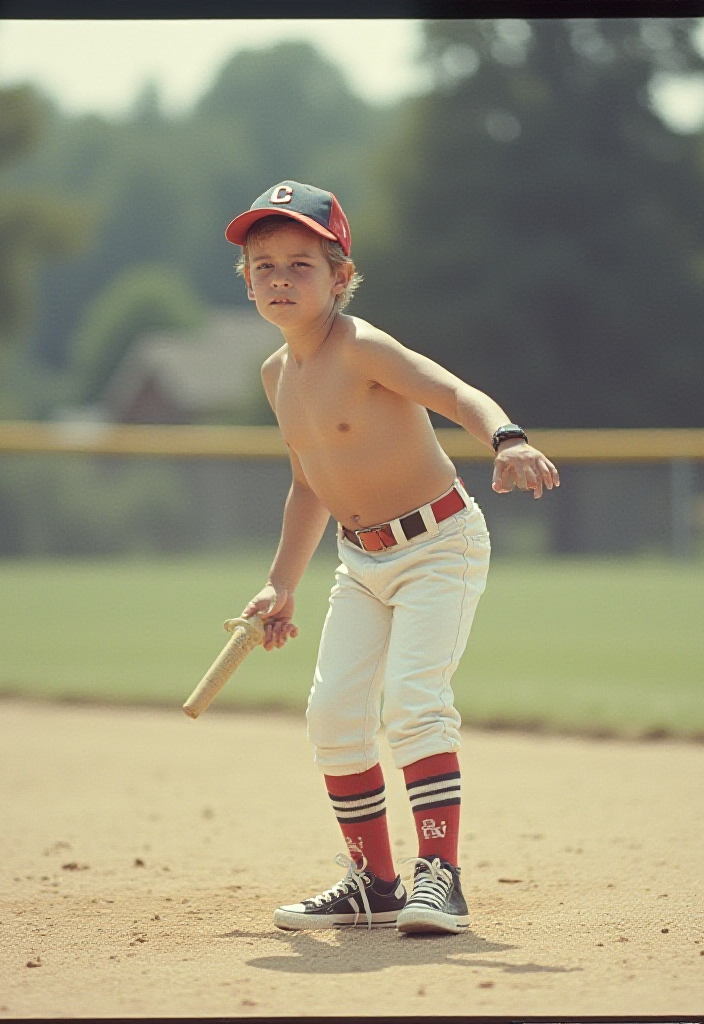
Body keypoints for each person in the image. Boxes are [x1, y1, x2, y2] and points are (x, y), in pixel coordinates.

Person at [225, 180, 559, 935]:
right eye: (263, 264)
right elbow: (309, 482)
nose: (279, 277)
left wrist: (508, 439)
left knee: (413, 701)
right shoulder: (277, 375)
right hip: (361, 562)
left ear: (341, 277)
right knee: (334, 715)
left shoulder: (363, 346)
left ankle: (440, 876)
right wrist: (280, 586)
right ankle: (373, 881)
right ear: (245, 281)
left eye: (300, 264)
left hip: (440, 545)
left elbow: (454, 390)